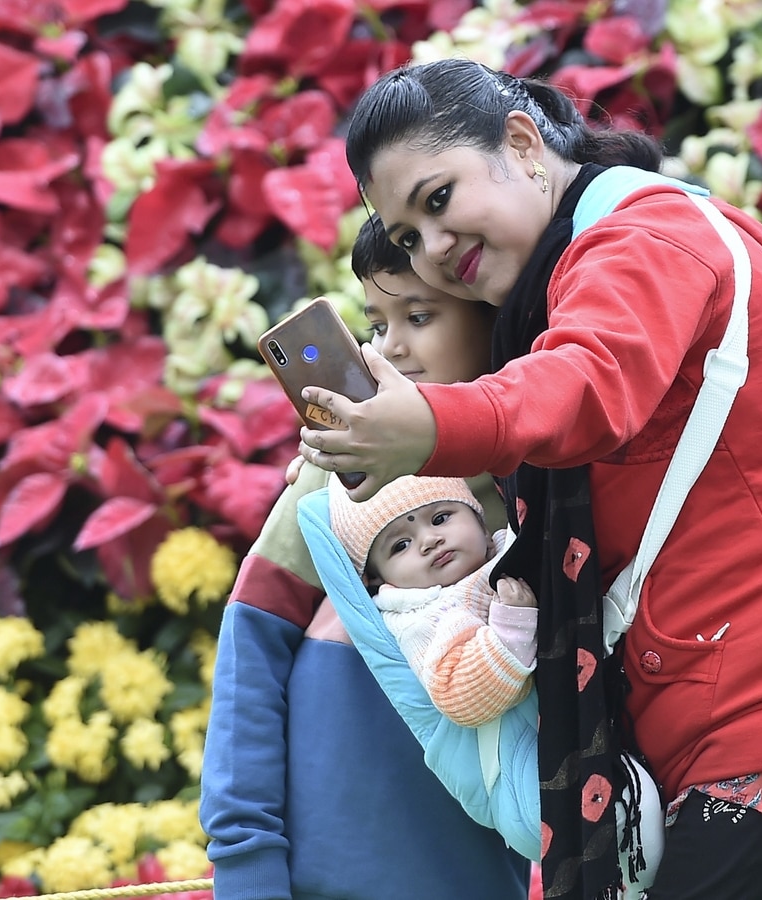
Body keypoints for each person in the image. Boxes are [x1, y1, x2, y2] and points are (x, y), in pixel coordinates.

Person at [295, 57, 762, 900]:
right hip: (756, 712)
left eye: (439, 199)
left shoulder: (643, 236)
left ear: (522, 144)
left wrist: (426, 429)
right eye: (408, 235)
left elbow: (587, 386)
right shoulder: (578, 276)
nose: (432, 246)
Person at [199, 215, 530, 900]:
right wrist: (245, 857)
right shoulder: (341, 468)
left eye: (419, 315)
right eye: (377, 325)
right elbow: (253, 652)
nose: (392, 350)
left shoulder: (545, 470)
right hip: (336, 867)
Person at [329, 474, 536, 727]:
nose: (429, 541)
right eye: (401, 545)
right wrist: (513, 626)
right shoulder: (423, 620)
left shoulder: (516, 542)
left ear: (480, 523)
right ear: (378, 580)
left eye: (440, 519)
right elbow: (463, 701)